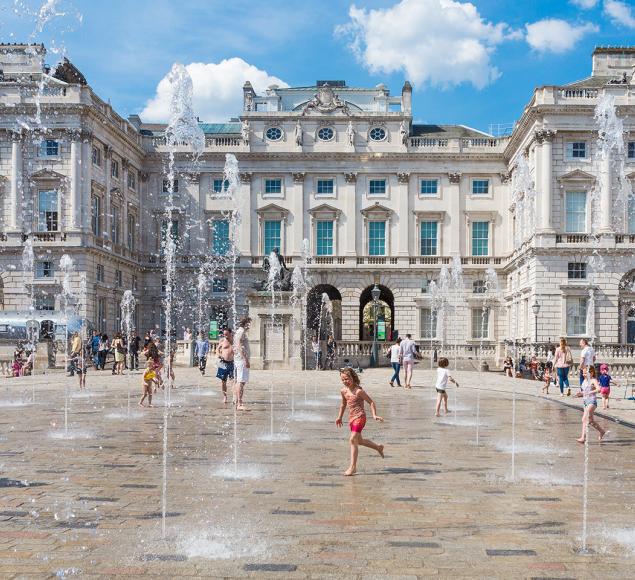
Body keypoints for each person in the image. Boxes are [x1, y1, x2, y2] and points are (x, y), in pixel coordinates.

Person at [335, 367, 384, 476]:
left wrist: (374, 415)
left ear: (353, 377)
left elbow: (371, 402)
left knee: (352, 439)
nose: (345, 381)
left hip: (360, 417)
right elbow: (343, 405)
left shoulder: (359, 391)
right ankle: (378, 447)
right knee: (359, 441)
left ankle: (353, 467)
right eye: (343, 380)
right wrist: (339, 417)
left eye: (347, 379)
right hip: (352, 418)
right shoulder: (343, 391)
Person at [575, 366, 607, 443]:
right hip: (585, 402)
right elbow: (584, 392)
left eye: (586, 373)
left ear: (591, 373)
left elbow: (599, 389)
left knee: (584, 419)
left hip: (592, 402)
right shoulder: (584, 381)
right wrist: (580, 394)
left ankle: (583, 438)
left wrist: (589, 392)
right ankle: (602, 431)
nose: (584, 374)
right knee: (591, 421)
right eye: (583, 373)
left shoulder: (593, 380)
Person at [233, 317, 251, 410]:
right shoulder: (241, 331)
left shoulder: (239, 331)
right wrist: (245, 359)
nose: (250, 325)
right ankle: (239, 403)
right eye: (249, 323)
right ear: (246, 323)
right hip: (241, 359)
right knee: (241, 381)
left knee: (240, 381)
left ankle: (237, 401)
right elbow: (239, 345)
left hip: (239, 359)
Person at [216, 328, 234, 404]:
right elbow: (217, 350)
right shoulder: (222, 341)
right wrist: (219, 354)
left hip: (232, 363)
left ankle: (234, 397)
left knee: (233, 381)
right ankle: (225, 396)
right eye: (224, 334)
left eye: (226, 334)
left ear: (230, 333)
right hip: (223, 363)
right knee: (223, 381)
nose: (225, 336)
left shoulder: (234, 341)